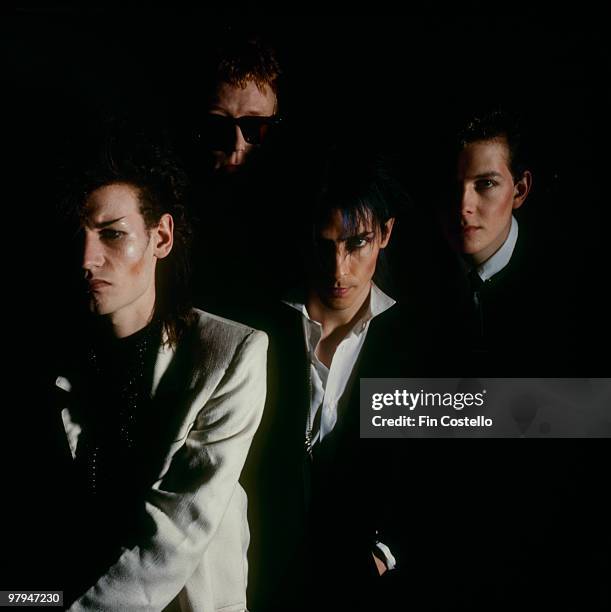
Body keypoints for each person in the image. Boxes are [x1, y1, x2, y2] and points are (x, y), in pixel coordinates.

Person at [57, 139, 268, 612]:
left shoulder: (229, 355)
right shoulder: (59, 363)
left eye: (112, 234)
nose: (87, 259)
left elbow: (174, 533)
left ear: (162, 238)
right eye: (80, 237)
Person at [244, 149, 423, 611]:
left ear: (385, 234)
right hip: (255, 581)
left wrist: (386, 553)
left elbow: (433, 471)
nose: (338, 269)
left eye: (355, 244)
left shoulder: (412, 344)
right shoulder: (257, 328)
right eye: (324, 246)